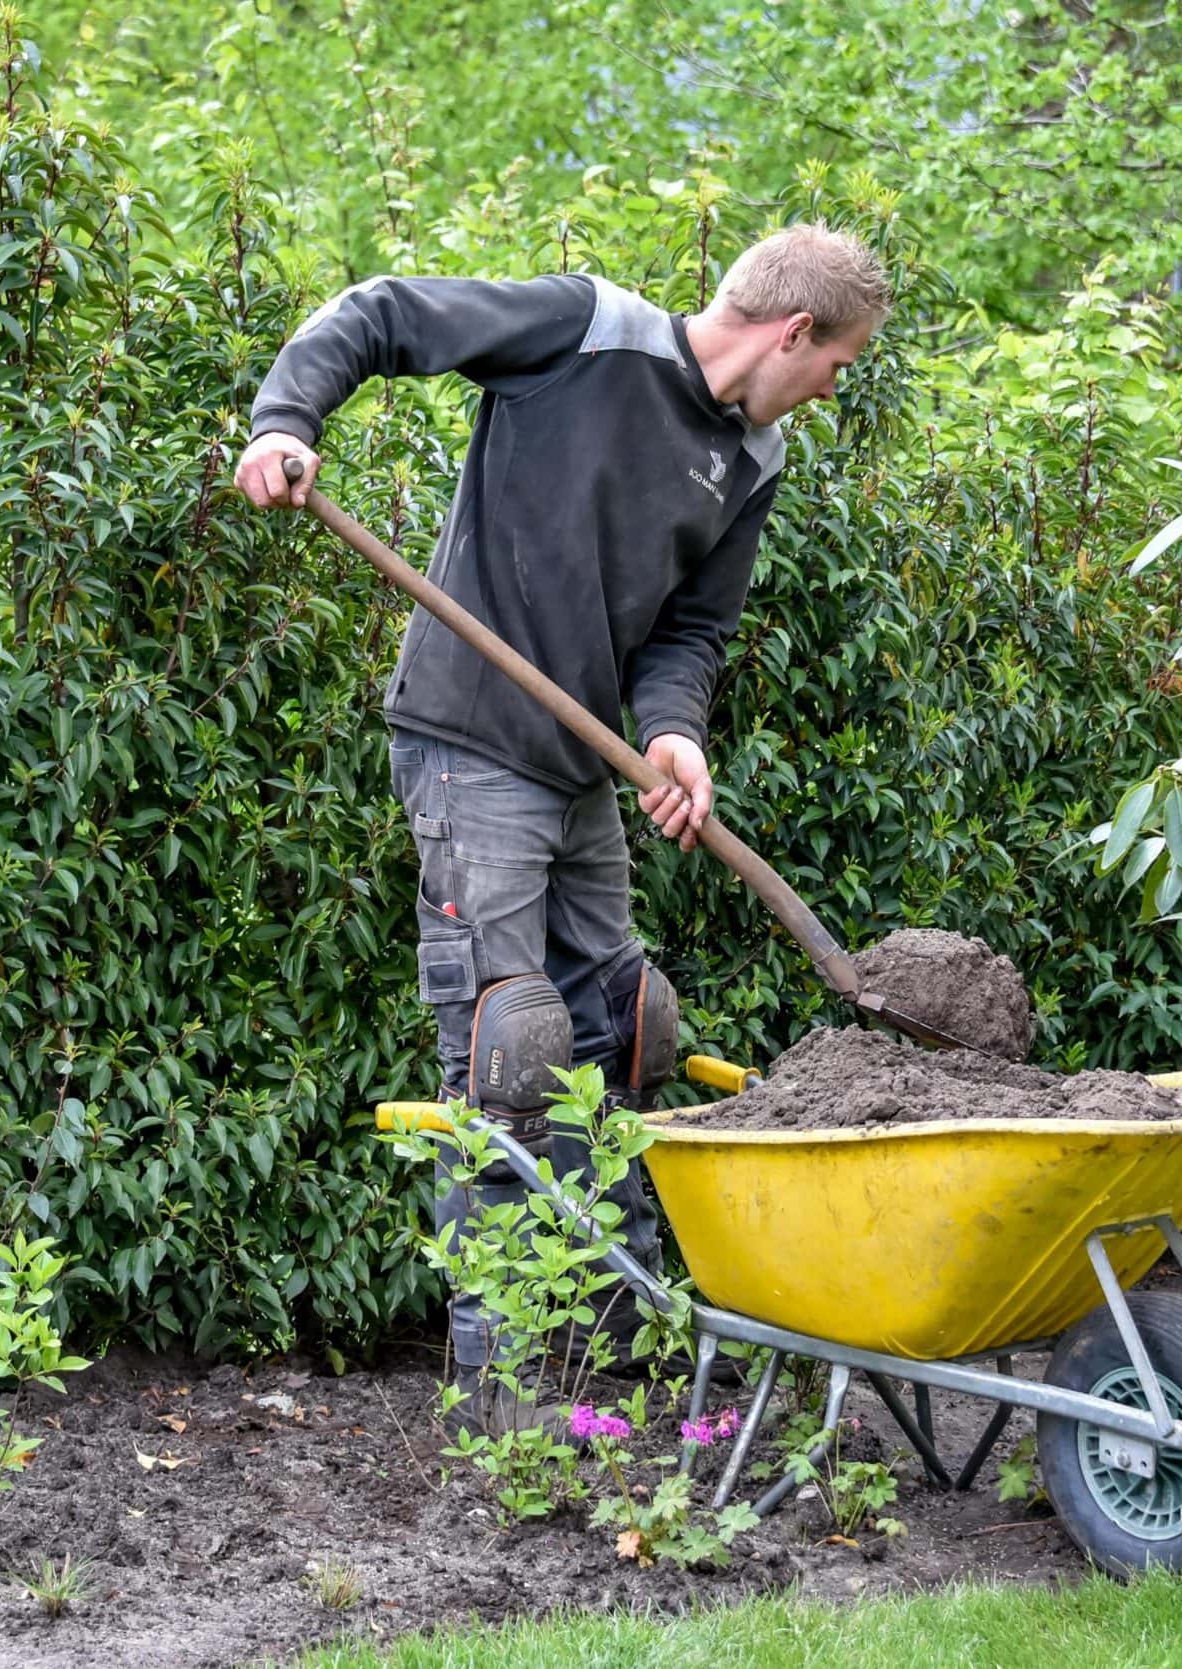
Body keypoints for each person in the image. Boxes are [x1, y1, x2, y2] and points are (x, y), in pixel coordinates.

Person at [234, 226, 891, 1429]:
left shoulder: (756, 454)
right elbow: (381, 312)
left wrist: (675, 733)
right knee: (510, 1046)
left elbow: (690, 632)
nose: (830, 387)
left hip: (581, 774)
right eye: (837, 362)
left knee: (626, 1032)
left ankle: (619, 1334)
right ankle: (507, 1381)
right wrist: (287, 421)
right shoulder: (585, 331)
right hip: (471, 743)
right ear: (793, 333)